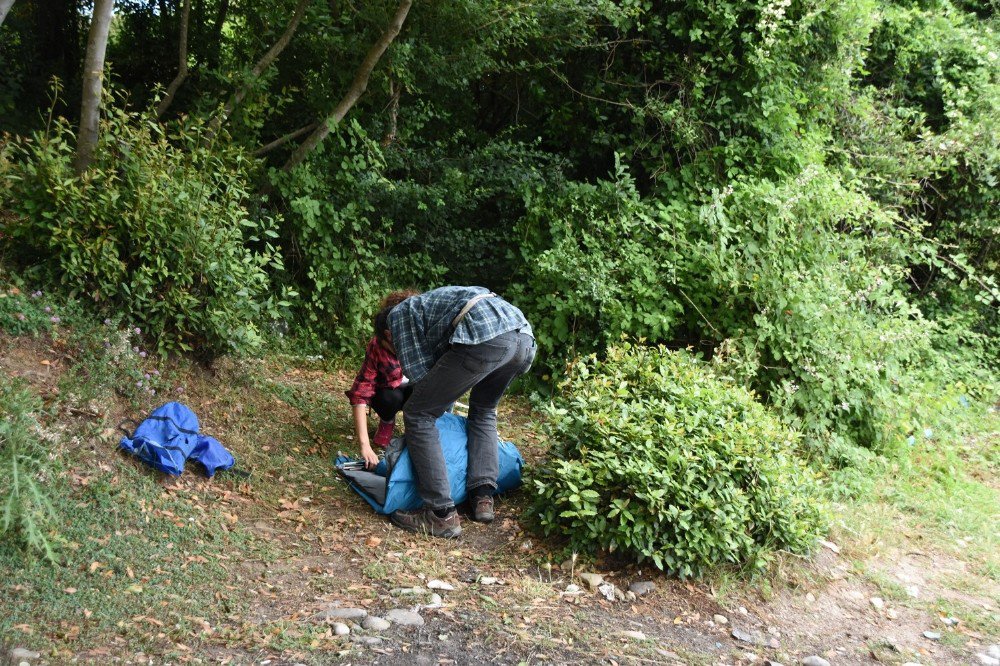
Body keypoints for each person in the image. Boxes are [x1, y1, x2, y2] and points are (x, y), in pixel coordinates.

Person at [372, 286, 535, 538]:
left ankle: (440, 514)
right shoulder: (430, 308)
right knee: (484, 410)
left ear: (387, 335)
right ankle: (482, 497)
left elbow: (422, 376)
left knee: (418, 413)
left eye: (389, 347)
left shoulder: (398, 316)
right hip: (521, 337)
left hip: (487, 335)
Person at [346, 290, 419, 469]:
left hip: (415, 388)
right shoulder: (377, 345)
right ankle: (387, 420)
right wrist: (365, 446)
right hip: (389, 391)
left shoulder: (419, 339)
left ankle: (418, 430)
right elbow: (361, 392)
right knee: (389, 398)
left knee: (422, 391)